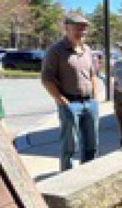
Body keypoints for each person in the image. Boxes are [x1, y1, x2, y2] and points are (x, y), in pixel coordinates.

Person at [40, 13, 102, 172]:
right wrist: (60, 99)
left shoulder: (87, 50)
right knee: (70, 146)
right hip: (70, 103)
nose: (81, 32)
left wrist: (95, 97)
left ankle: (88, 174)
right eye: (77, 28)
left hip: (90, 103)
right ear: (66, 28)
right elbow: (47, 79)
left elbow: (93, 74)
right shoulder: (56, 51)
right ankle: (67, 178)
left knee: (91, 144)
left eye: (84, 29)